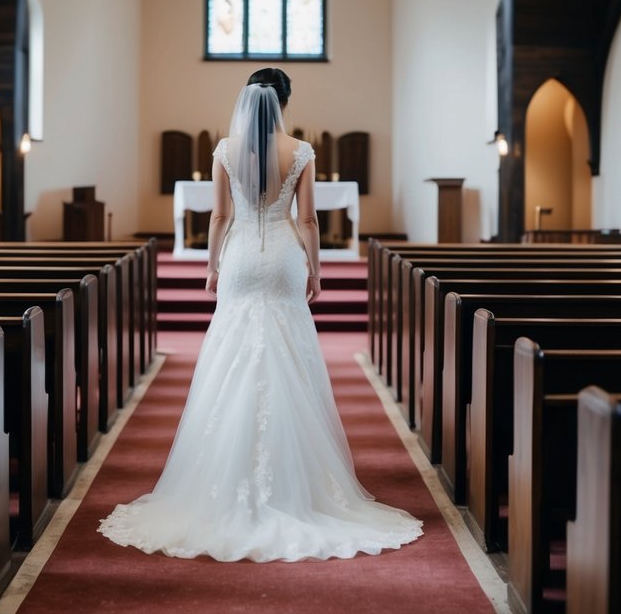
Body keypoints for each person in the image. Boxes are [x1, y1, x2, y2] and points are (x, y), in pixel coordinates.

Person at [99, 68, 422, 562]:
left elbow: (219, 216)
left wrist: (211, 266)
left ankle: (223, 479)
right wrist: (315, 269)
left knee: (230, 357)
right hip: (285, 260)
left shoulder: (226, 149)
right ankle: (299, 485)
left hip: (242, 258)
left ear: (246, 104)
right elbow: (310, 219)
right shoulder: (302, 151)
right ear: (285, 102)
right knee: (290, 353)